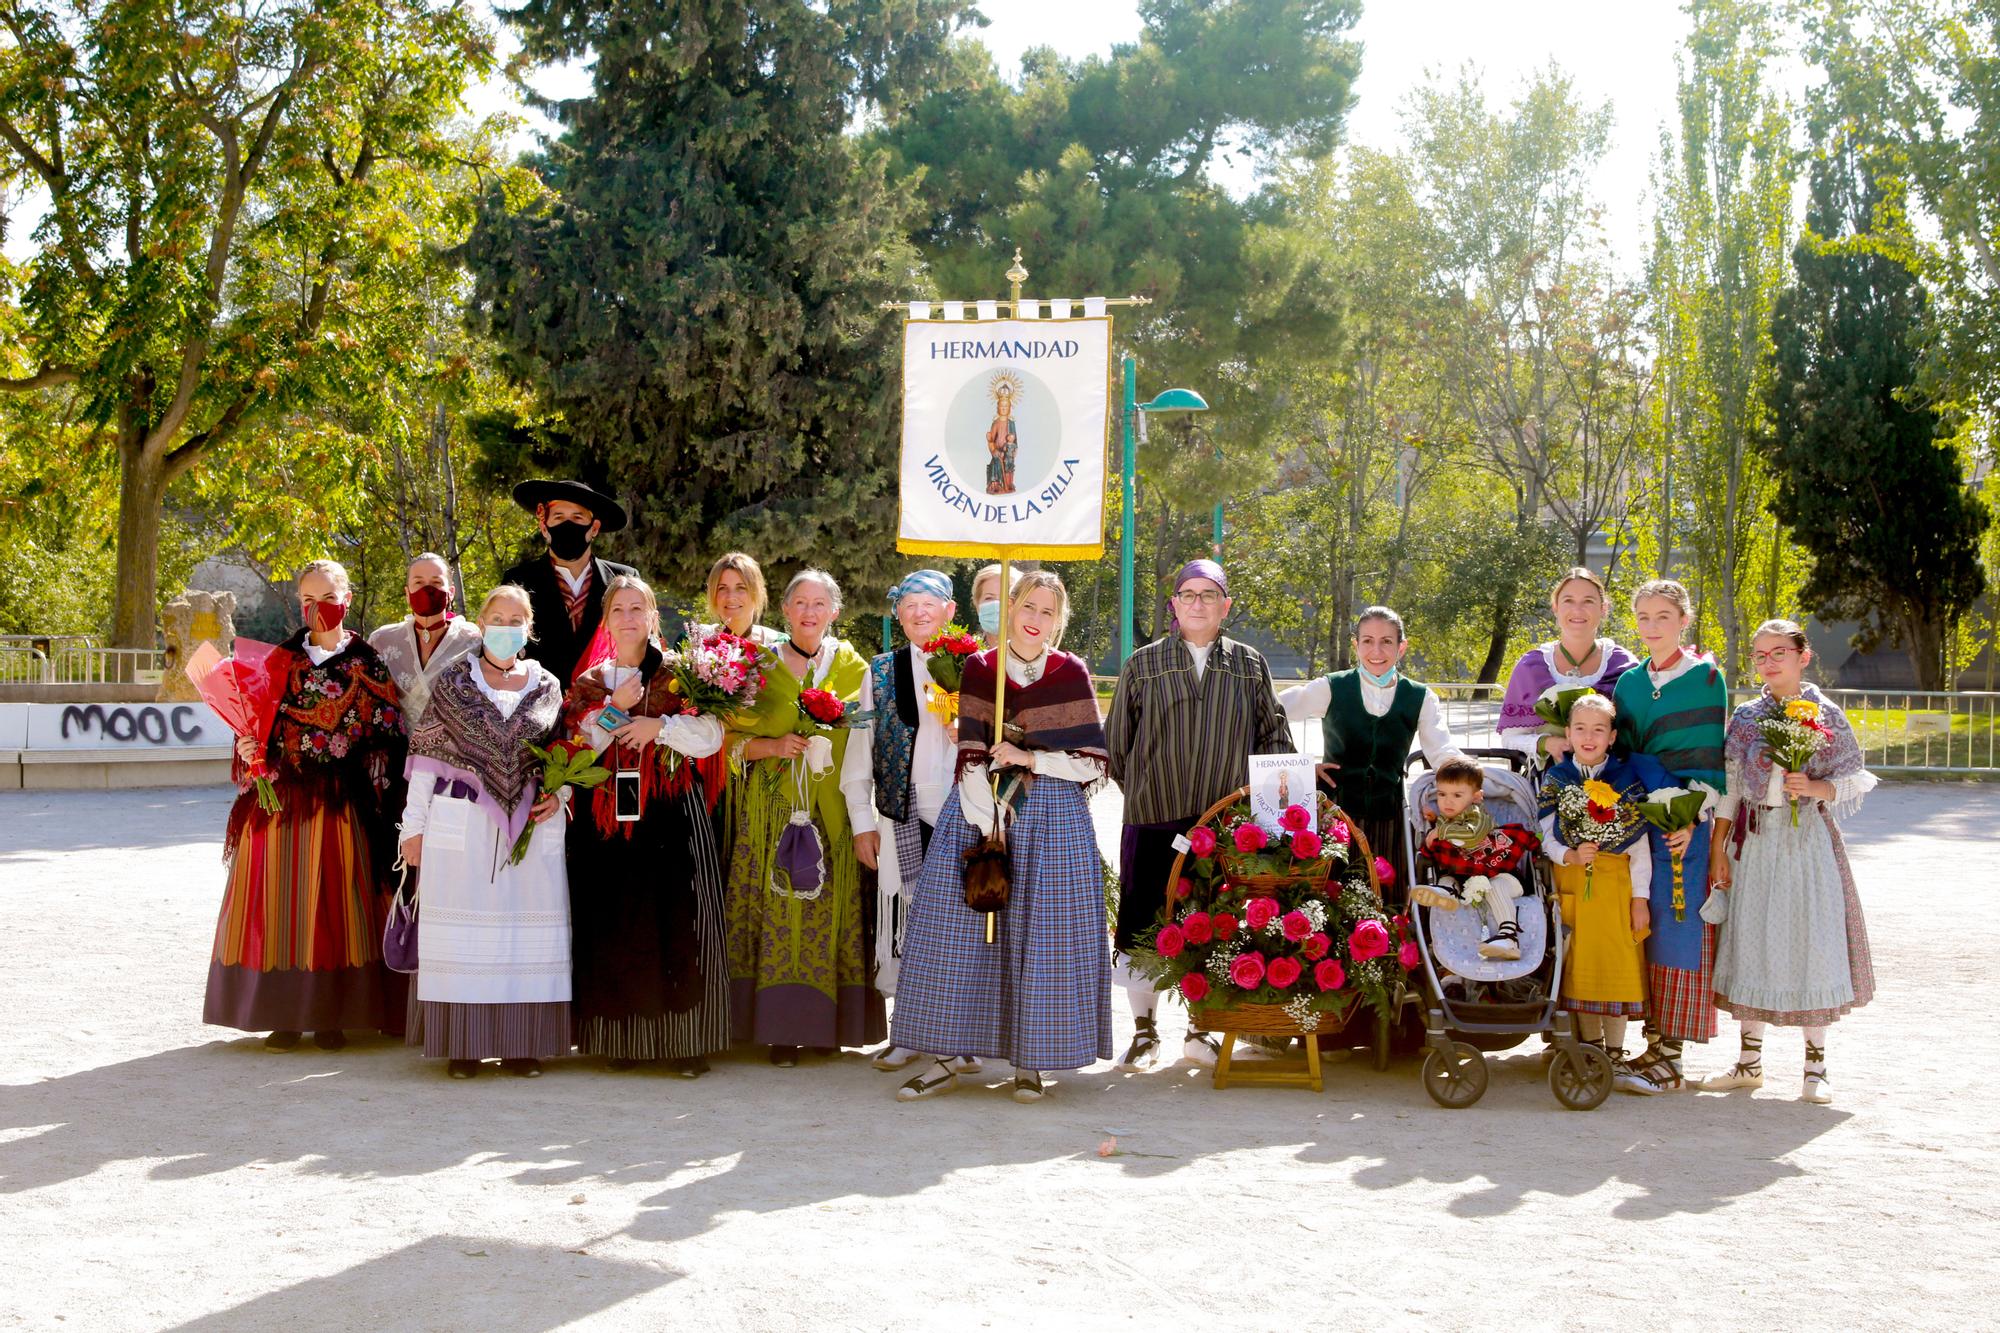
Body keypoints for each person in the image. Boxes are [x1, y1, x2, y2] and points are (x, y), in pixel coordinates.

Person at [889, 570, 1113, 1104]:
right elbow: (969, 751)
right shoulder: (979, 669)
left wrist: (1030, 756)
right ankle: (945, 1057)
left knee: (1045, 940)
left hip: (1054, 819)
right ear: (1010, 607)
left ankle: (1032, 1062)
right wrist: (987, 816)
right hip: (981, 812)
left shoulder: (1070, 672)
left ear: (1059, 622)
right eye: (1028, 607)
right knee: (953, 931)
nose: (1036, 620)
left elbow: (1092, 765)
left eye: (1048, 613)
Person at [205, 559, 407, 1049]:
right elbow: (253, 726)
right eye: (308, 600)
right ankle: (284, 1014)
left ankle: (333, 1015)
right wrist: (249, 749)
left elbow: (390, 731)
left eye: (328, 598)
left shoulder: (367, 662)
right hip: (280, 802)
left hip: (343, 802)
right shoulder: (277, 660)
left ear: (347, 599)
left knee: (335, 902)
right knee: (280, 902)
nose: (318, 609)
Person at [1106, 558, 1293, 1069]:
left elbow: (1272, 735)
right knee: (1145, 924)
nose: (1197, 603)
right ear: (1173, 604)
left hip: (1222, 826)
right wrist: (1149, 792)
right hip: (1152, 816)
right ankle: (1144, 1032)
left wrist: (1289, 781)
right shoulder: (1142, 664)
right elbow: (1116, 746)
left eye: (1208, 595)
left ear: (1225, 605)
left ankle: (1199, 1028)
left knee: (1211, 923)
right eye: (1187, 594)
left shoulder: (1250, 664)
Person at [1697, 619, 1876, 1104]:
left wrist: (1816, 788)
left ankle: (1816, 1068)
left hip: (1805, 842)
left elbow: (1856, 777)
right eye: (1760, 655)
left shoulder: (1825, 713)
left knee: (1808, 941)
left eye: (1779, 652)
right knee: (1752, 939)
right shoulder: (1748, 716)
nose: (1769, 662)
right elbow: (1732, 788)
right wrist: (1719, 849)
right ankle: (1749, 1063)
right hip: (1754, 841)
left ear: (1803, 656)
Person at [398, 585, 571, 1079]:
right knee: (464, 934)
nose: (506, 626)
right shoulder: (454, 682)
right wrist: (413, 829)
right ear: (480, 623)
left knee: (524, 935)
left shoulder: (548, 686)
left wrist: (562, 796)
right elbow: (426, 761)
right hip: (462, 824)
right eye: (497, 616)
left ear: (529, 628)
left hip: (531, 830)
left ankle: (524, 1046)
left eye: (517, 618)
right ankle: (464, 1047)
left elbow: (565, 757)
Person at [565, 576, 729, 1077]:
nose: (630, 617)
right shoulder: (592, 681)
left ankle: (688, 1043)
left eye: (639, 608)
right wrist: (615, 710)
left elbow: (713, 735)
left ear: (654, 616)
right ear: (607, 620)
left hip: (673, 812)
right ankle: (622, 1036)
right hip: (610, 819)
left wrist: (660, 727)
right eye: (619, 609)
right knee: (616, 919)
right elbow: (578, 747)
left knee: (680, 919)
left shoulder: (684, 674)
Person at [722, 569, 883, 1065]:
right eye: (800, 603)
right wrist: (771, 745)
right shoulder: (756, 668)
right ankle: (773, 1031)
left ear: (835, 613)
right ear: (785, 611)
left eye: (820, 604)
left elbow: (869, 744)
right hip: (767, 814)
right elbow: (724, 744)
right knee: (772, 915)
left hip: (829, 813)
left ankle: (826, 1027)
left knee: (826, 916)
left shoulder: (856, 669)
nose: (809, 612)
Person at [841, 570, 984, 1077]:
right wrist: (862, 822)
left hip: (968, 813)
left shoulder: (979, 666)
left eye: (930, 603)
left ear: (950, 611)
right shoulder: (880, 672)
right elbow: (860, 752)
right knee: (907, 925)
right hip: (904, 812)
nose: (919, 613)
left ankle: (960, 1034)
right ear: (897, 613)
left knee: (963, 926)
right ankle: (908, 1031)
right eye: (908, 605)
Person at [1612, 578, 1727, 1094]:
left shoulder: (1707, 678)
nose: (1653, 627)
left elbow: (1710, 758)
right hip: (1640, 822)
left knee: (1680, 927)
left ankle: (1671, 1058)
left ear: (1684, 620)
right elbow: (1627, 756)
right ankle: (1649, 1045)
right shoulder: (1629, 685)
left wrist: (1688, 815)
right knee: (1647, 923)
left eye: (1664, 617)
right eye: (1643, 618)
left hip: (1688, 825)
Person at [1279, 606, 1462, 898]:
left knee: (1386, 898)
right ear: (1356, 645)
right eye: (1367, 640)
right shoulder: (1331, 687)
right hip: (1336, 815)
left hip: (1389, 815)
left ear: (1402, 647)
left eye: (1386, 641)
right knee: (1333, 899)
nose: (1376, 650)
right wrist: (1302, 766)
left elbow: (1442, 750)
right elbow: (1273, 713)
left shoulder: (1420, 697)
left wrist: (1473, 780)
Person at [1538, 693, 1668, 1067]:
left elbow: (1639, 846)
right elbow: (1545, 835)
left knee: (1618, 968)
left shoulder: (1626, 780)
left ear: (1612, 736)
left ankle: (1615, 1051)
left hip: (1616, 888)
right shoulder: (1558, 778)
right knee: (1580, 969)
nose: (1589, 737)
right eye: (1580, 728)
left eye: (1598, 729)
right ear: (1568, 732)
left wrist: (1639, 898)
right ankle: (1591, 1048)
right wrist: (1571, 854)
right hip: (1574, 883)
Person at [501, 478, 639, 686]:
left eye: (577, 517)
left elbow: (645, 642)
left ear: (594, 528)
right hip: (536, 702)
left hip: (609, 704)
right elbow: (502, 647)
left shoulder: (623, 580)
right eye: (558, 517)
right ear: (544, 526)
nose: (568, 525)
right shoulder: (518, 580)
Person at [1498, 567, 1640, 769]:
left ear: (1603, 608)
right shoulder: (1532, 666)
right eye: (1568, 601)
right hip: (1548, 780)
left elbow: (1637, 736)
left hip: (1615, 780)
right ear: (1555, 607)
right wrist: (1547, 743)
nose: (1577, 610)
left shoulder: (1623, 665)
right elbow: (1510, 738)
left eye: (1588, 601)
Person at [1415, 757, 1540, 960]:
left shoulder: (1477, 816)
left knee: (1496, 886)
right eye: (1441, 794)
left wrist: (1441, 830)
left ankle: (1509, 938)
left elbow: (1472, 835)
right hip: (1467, 881)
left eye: (1457, 795)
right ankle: (1446, 894)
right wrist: (1433, 821)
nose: (1447, 801)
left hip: (1503, 875)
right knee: (1447, 879)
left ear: (1476, 797)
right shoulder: (1446, 820)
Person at [368, 552, 483, 726]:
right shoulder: (381, 640)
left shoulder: (471, 638)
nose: (427, 590)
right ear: (407, 593)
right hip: (398, 748)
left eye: (436, 582)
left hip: (454, 749)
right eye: (418, 582)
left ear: (451, 592)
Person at [969, 563, 1018, 651]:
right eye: (989, 598)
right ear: (977, 604)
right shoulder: (962, 654)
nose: (997, 605)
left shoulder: (1042, 658)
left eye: (1006, 598)